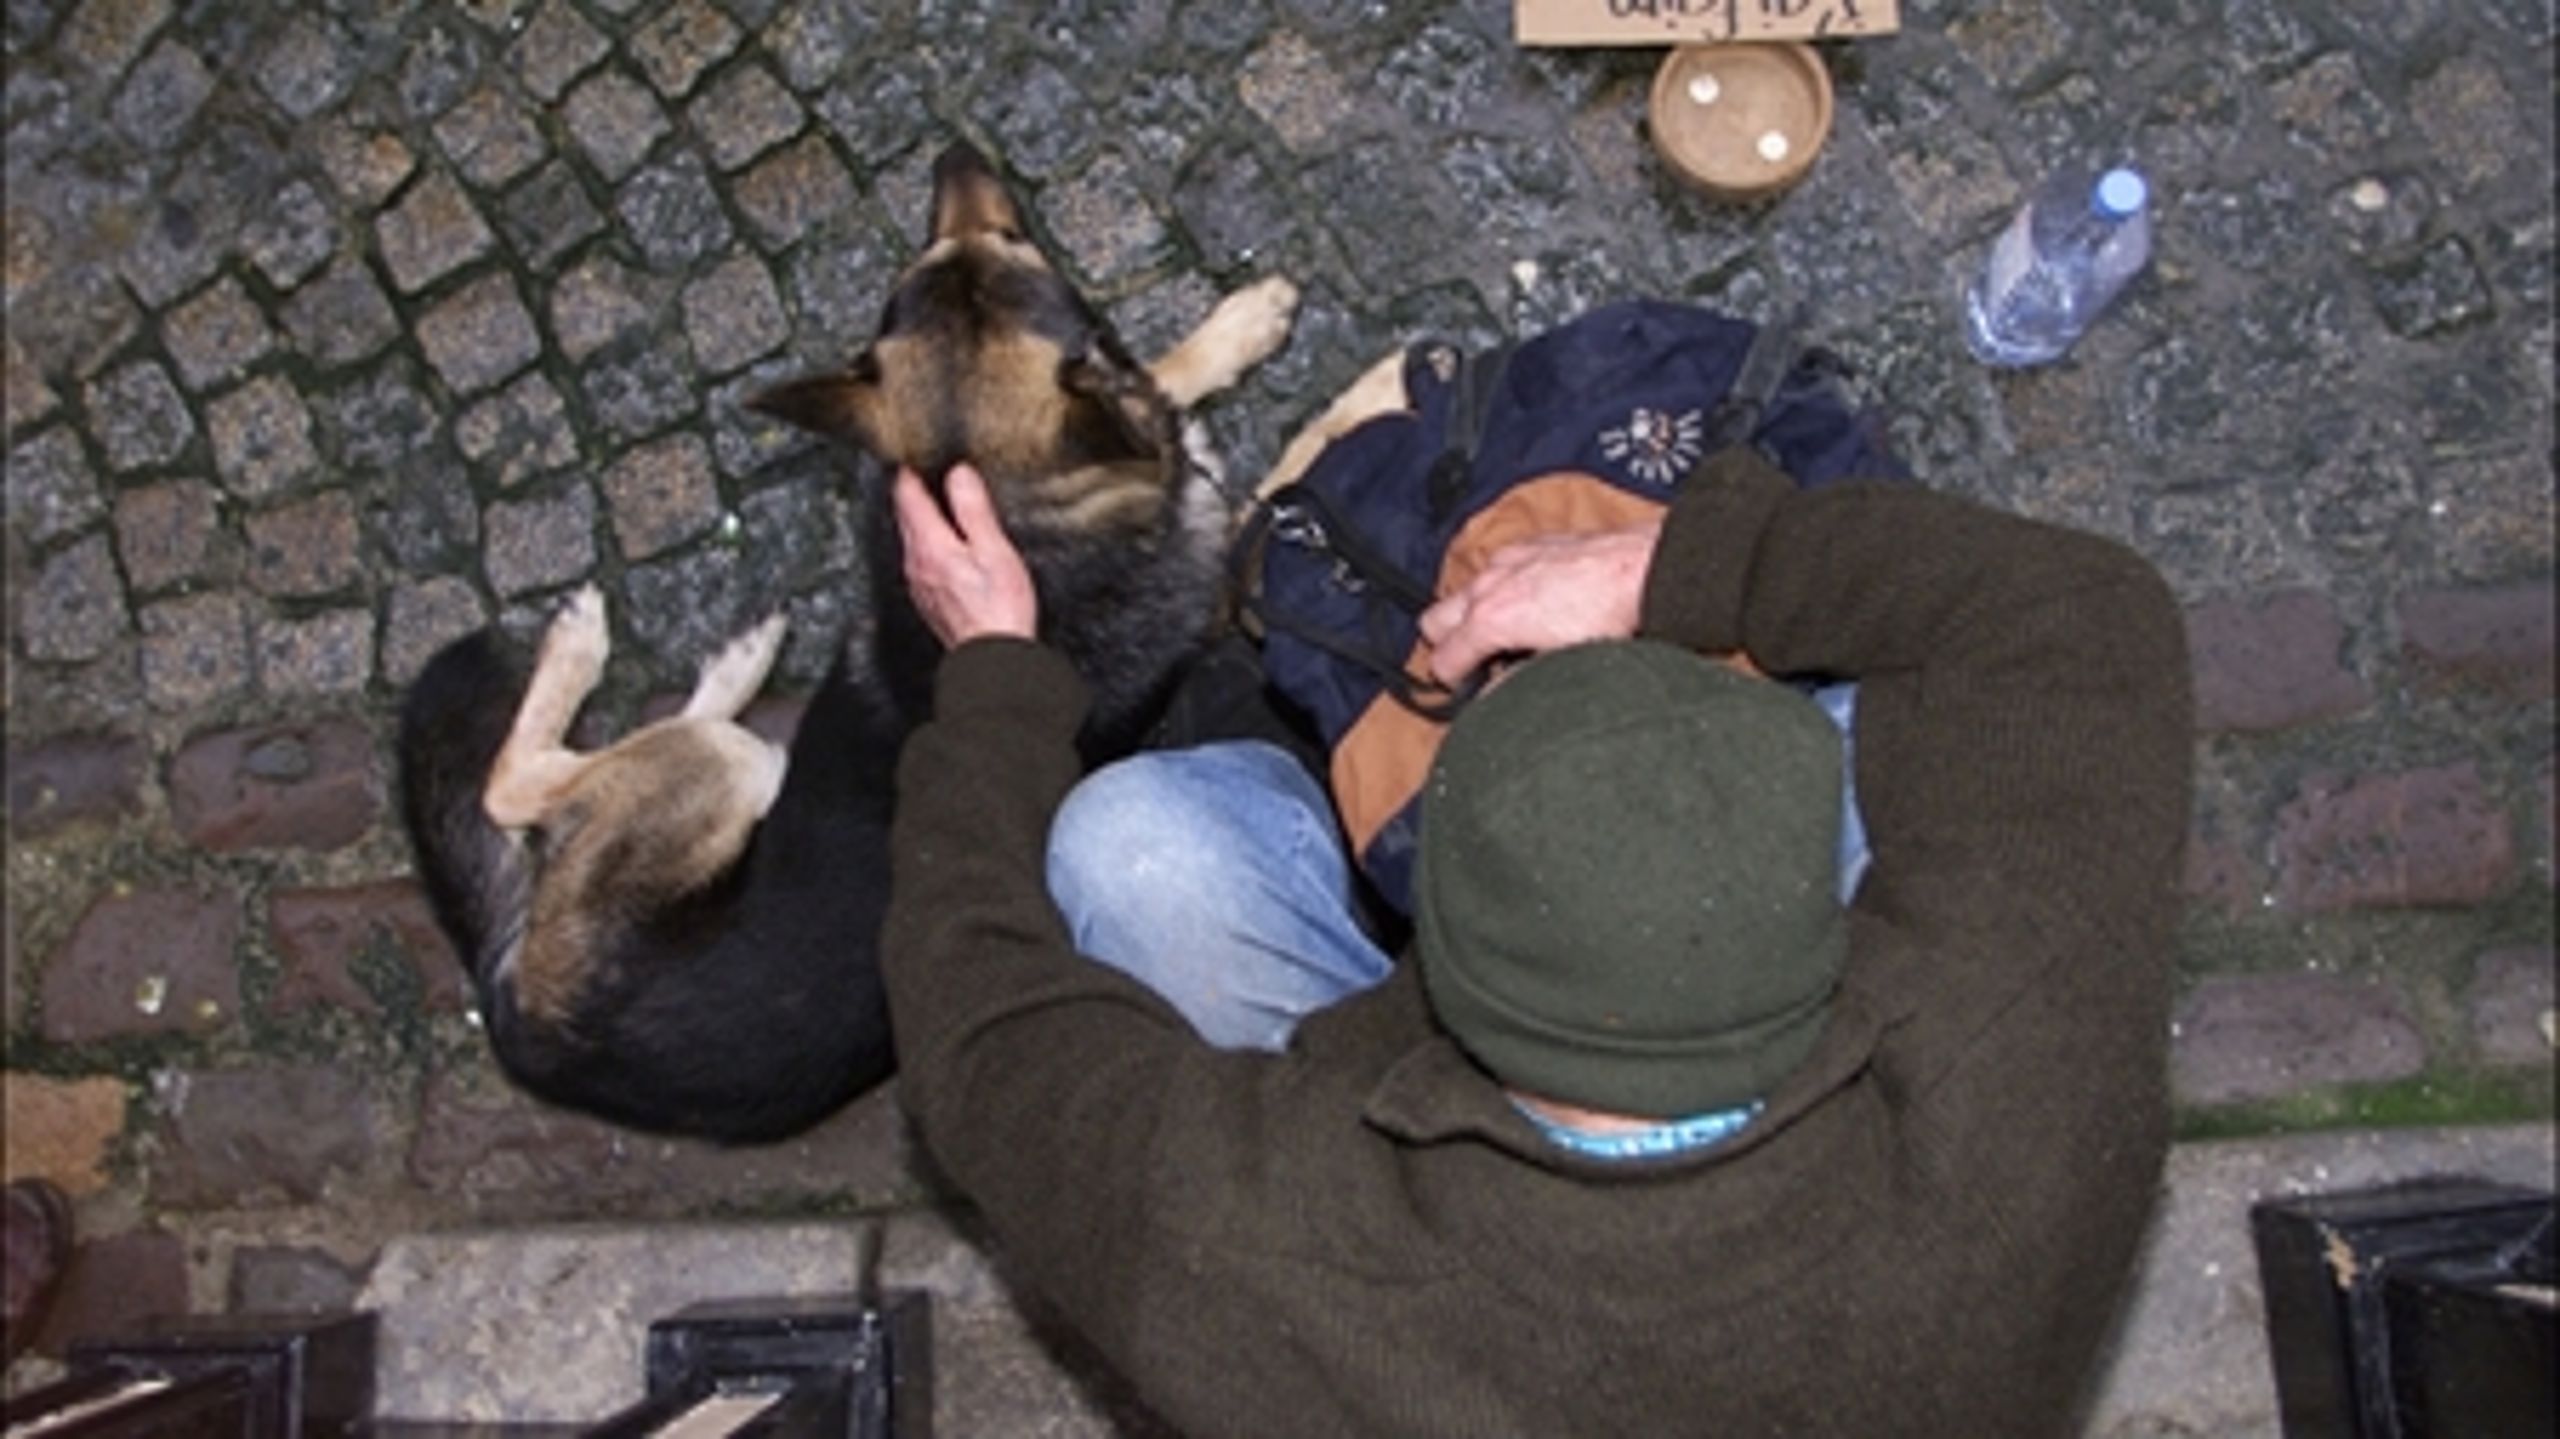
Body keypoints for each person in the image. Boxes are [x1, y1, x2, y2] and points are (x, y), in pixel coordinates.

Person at [880, 445, 2192, 1436]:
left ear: (1439, 951)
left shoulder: (1257, 1253)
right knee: (1894, 724)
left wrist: (996, 665)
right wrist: (1672, 570)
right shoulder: (2027, 1094)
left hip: (1375, 1186)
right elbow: (2084, 616)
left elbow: (978, 1021)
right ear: (1810, 920)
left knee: (1132, 853)